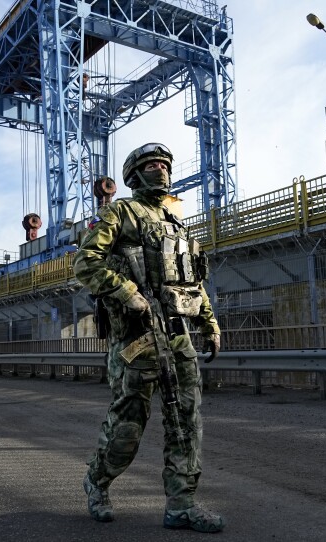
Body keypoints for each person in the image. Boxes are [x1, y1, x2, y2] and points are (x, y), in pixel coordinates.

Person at [73, 142, 225, 533]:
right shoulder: (119, 212)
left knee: (186, 423)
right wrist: (125, 291)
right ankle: (98, 480)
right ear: (135, 175)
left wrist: (209, 323)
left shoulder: (176, 221)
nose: (161, 169)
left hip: (177, 338)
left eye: (164, 163)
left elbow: (192, 280)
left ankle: (182, 504)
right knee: (129, 425)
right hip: (136, 341)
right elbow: (85, 262)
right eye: (152, 164)